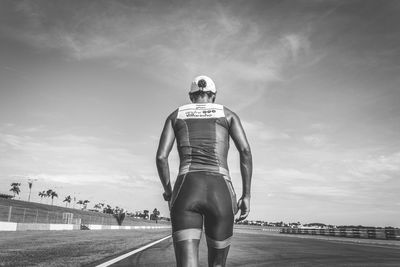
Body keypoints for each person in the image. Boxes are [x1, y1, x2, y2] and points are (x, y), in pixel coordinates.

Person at [156, 75, 252, 267]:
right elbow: (245, 152)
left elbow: (161, 157)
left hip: (186, 189)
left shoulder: (176, 115)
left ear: (191, 96)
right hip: (221, 191)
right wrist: (246, 195)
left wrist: (169, 192)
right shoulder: (228, 114)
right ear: (213, 96)